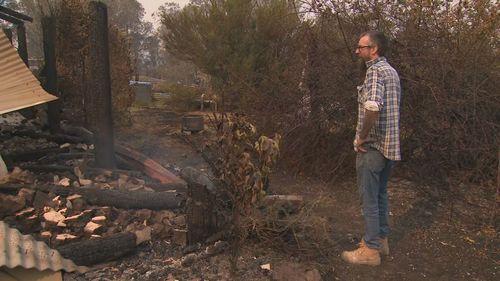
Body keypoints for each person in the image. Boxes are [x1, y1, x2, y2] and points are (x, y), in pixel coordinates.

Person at [341, 31, 401, 266]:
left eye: (361, 46)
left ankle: (370, 250)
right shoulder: (391, 72)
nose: (357, 50)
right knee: (380, 194)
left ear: (373, 49)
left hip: (373, 147)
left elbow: (373, 108)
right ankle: (381, 239)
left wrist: (361, 138)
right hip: (390, 147)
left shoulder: (375, 71)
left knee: (368, 197)